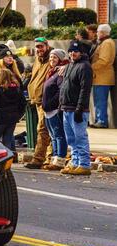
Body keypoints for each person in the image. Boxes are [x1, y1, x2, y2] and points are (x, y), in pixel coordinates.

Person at [59, 40, 93, 175]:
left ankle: (84, 164)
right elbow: (64, 87)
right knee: (71, 139)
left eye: (76, 51)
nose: (73, 53)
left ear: (81, 53)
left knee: (80, 137)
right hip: (66, 108)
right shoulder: (69, 66)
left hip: (77, 109)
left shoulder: (85, 67)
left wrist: (80, 108)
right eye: (71, 51)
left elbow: (85, 90)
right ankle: (75, 162)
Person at [25, 37, 53, 169]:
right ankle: (48, 157)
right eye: (37, 47)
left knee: (43, 129)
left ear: (47, 46)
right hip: (36, 99)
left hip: (46, 100)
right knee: (46, 130)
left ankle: (39, 159)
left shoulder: (52, 59)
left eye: (41, 46)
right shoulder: (38, 59)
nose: (39, 49)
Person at [41, 49, 69, 171]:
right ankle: (54, 159)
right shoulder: (51, 72)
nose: (52, 60)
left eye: (55, 58)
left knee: (59, 135)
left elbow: (60, 91)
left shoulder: (60, 73)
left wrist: (51, 104)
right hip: (47, 110)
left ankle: (60, 161)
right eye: (51, 57)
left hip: (54, 110)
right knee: (53, 136)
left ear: (60, 60)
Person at [0, 69, 26, 153]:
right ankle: (7, 164)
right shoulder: (17, 89)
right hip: (12, 118)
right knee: (7, 139)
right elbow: (23, 102)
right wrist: (18, 114)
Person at [90, 24, 115, 129]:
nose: (97, 34)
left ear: (103, 33)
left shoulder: (107, 43)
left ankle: (101, 121)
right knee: (98, 101)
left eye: (98, 32)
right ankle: (99, 120)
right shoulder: (105, 42)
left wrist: (90, 67)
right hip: (100, 77)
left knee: (100, 101)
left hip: (102, 77)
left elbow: (104, 61)